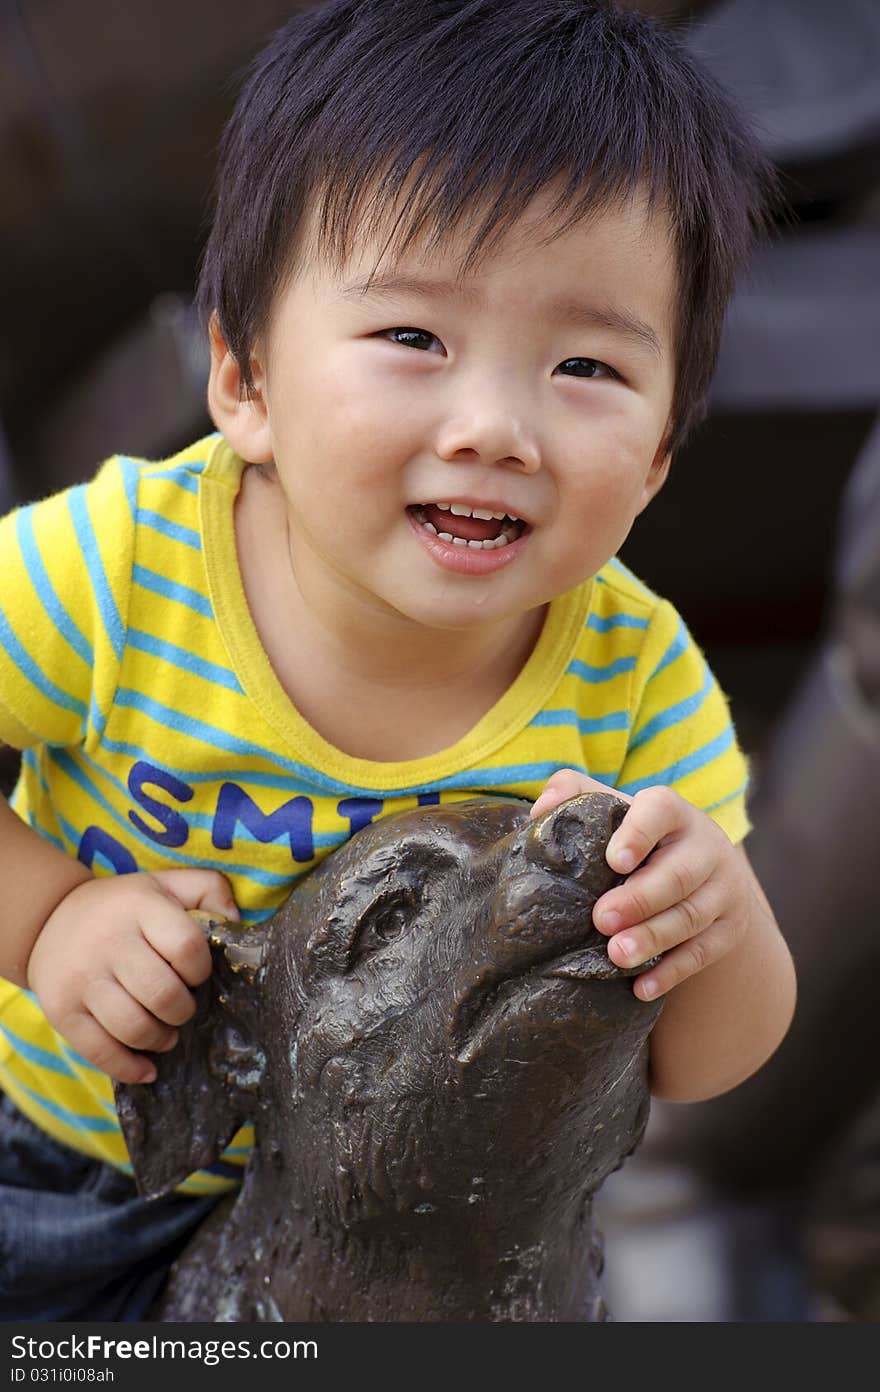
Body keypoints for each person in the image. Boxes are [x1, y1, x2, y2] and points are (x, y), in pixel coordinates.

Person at [0, 0, 795, 1321]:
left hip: (463, 1229)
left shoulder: (634, 675)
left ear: (658, 457)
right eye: (414, 339)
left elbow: (707, 1060)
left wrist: (710, 918)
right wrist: (47, 915)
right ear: (245, 377)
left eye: (586, 364)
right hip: (74, 1172)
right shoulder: (115, 569)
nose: (494, 425)